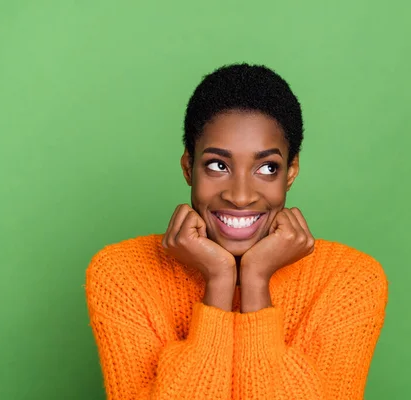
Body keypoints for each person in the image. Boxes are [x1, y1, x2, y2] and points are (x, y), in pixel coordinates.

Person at [85, 63, 388, 400]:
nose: (240, 195)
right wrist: (219, 280)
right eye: (218, 165)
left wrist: (256, 279)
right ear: (189, 167)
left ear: (291, 172)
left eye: (267, 168)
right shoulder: (122, 275)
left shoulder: (349, 281)